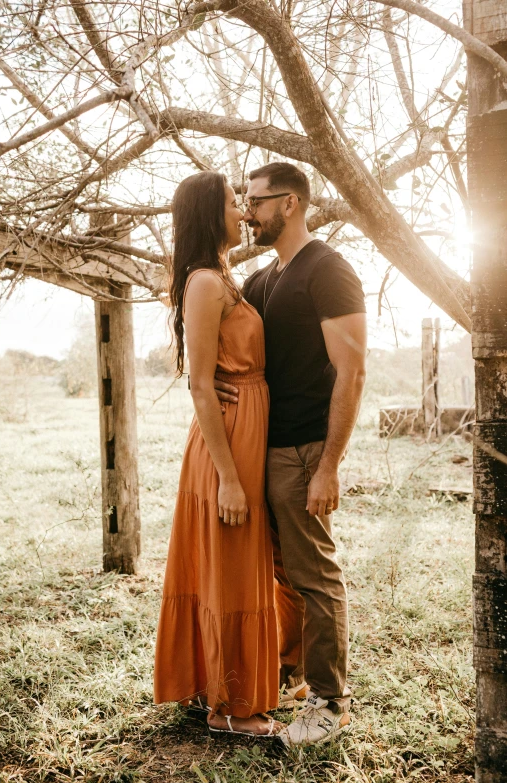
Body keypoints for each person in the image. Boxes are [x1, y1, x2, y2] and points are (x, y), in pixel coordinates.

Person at [214, 162, 367, 746]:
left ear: (291, 203)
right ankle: (294, 672)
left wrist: (328, 466)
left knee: (314, 574)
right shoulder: (265, 278)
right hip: (265, 449)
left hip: (305, 448)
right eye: (244, 202)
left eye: (255, 201)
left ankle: (330, 703)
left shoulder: (329, 270)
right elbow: (237, 348)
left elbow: (351, 373)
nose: (247, 211)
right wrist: (218, 380)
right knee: (280, 573)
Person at [153, 171, 282, 738]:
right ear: (213, 213)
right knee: (230, 569)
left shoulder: (226, 276)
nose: (244, 212)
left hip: (246, 430)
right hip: (225, 444)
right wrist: (228, 478)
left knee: (241, 564)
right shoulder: (205, 283)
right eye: (236, 203)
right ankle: (227, 709)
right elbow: (201, 385)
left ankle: (232, 689)